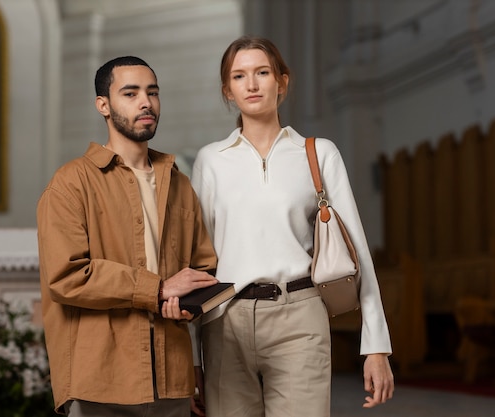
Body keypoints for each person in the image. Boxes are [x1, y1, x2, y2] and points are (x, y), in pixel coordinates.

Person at [190, 36, 394, 417]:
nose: (251, 84)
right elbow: (198, 264)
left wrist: (376, 345)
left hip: (300, 316)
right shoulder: (210, 161)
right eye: (239, 76)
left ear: (282, 83)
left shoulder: (318, 153)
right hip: (224, 322)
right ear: (228, 91)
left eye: (262, 73)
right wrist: (192, 358)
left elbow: (358, 252)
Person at [37, 56, 218, 417]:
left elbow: (202, 269)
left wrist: (187, 305)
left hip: (172, 380)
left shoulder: (180, 183)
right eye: (130, 93)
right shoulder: (71, 182)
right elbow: (66, 276)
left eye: (152, 92)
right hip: (102, 380)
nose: (145, 102)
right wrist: (159, 288)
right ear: (103, 105)